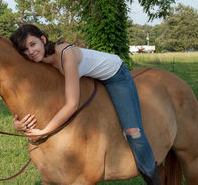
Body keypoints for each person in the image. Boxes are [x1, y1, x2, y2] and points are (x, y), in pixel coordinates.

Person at [9, 24, 161, 185]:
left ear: (43, 39)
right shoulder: (39, 61)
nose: (30, 52)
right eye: (25, 50)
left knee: (133, 131)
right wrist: (19, 124)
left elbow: (72, 104)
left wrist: (45, 131)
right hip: (89, 77)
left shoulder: (66, 55)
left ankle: (153, 177)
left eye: (33, 44)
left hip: (115, 75)